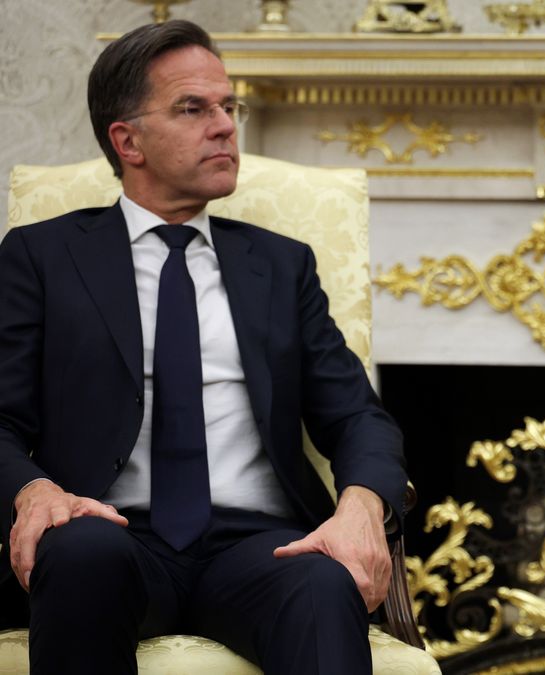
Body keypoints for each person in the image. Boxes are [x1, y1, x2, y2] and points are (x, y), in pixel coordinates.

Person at [0, 20, 407, 674]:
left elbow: (358, 415)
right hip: (111, 531)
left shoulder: (279, 264)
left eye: (228, 106)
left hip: (259, 546)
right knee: (78, 554)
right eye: (193, 108)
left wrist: (361, 504)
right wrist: (33, 491)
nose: (224, 125)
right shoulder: (42, 257)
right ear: (126, 140)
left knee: (322, 583)